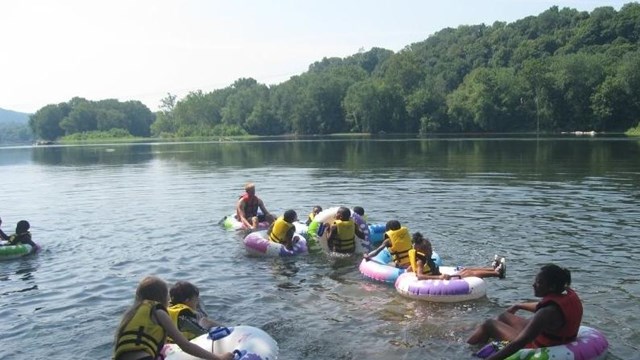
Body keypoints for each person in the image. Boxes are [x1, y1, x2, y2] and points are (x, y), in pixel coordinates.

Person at [467, 264, 582, 360]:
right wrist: (519, 305)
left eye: (539, 282)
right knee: (504, 316)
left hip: (540, 347)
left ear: (552, 287)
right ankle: (483, 345)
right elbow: (544, 307)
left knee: (489, 324)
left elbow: (519, 343)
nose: (533, 285)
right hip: (556, 337)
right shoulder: (566, 294)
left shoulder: (546, 313)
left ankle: (467, 352)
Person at [113, 276, 234, 360]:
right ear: (161, 297)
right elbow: (185, 345)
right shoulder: (158, 311)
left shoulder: (129, 314)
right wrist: (218, 357)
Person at [408, 232, 505, 280]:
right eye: (429, 248)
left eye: (430, 247)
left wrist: (409, 269)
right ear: (422, 250)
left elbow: (411, 269)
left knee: (466, 269)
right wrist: (439, 278)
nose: (431, 249)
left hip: (440, 275)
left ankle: (493, 269)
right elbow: (420, 276)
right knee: (467, 273)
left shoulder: (424, 258)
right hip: (440, 280)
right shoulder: (420, 261)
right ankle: (497, 274)